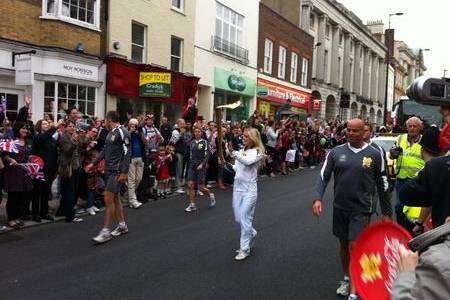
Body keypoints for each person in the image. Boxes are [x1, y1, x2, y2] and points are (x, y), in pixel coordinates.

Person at [313, 119, 391, 300]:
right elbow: (323, 177)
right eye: (348, 130)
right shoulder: (336, 152)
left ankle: (355, 290)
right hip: (340, 207)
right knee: (343, 246)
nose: (351, 133)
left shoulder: (374, 154)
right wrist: (318, 198)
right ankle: (347, 277)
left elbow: (382, 183)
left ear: (364, 131)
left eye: (355, 131)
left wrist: (387, 213)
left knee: (355, 246)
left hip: (362, 208)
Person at [88, 111, 131, 244]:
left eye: (105, 120)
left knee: (108, 198)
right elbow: (105, 150)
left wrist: (124, 172)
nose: (104, 122)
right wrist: (93, 163)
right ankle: (122, 225)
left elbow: (127, 152)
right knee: (116, 198)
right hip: (109, 170)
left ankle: (106, 232)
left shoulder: (123, 132)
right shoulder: (110, 133)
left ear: (109, 120)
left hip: (117, 171)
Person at [228, 127, 265, 261]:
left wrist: (235, 153)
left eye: (246, 137)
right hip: (238, 189)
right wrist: (226, 164)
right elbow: (237, 168)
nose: (243, 139)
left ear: (253, 138)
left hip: (250, 190)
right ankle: (251, 232)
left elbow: (248, 162)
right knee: (239, 217)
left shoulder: (258, 152)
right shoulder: (241, 151)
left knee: (244, 217)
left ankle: (244, 249)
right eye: (243, 136)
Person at [391, 117, 425, 229]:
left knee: (413, 209)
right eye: (409, 126)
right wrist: (393, 153)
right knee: (399, 207)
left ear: (420, 128)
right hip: (401, 178)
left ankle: (414, 230)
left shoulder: (425, 141)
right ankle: (403, 229)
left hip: (417, 181)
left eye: (415, 126)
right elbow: (393, 155)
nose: (412, 128)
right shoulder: (400, 138)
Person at [3, 122, 34, 229]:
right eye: (23, 128)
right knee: (13, 196)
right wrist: (11, 159)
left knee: (21, 196)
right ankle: (11, 219)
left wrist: (30, 159)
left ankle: (16, 217)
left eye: (26, 129)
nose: (25, 130)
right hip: (13, 171)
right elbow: (4, 155)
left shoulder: (28, 141)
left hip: (24, 171)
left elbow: (28, 155)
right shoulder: (12, 140)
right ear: (17, 129)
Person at [31, 119, 62, 222]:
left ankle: (44, 213)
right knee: (37, 193)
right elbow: (43, 138)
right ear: (39, 126)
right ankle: (36, 214)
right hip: (39, 170)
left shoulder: (52, 139)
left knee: (45, 192)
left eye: (47, 124)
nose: (46, 125)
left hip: (49, 170)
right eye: (44, 124)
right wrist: (55, 127)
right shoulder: (37, 137)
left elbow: (55, 153)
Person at [57, 120, 84, 223]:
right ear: (66, 127)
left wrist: (80, 138)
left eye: (74, 126)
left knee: (69, 191)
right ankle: (70, 216)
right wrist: (73, 142)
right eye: (70, 126)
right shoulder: (64, 137)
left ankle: (61, 212)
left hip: (76, 166)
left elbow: (82, 146)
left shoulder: (74, 136)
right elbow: (68, 151)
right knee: (69, 192)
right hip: (68, 168)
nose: (72, 128)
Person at [184, 127, 215, 212]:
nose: (197, 133)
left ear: (201, 133)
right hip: (192, 166)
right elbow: (190, 154)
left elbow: (207, 155)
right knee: (190, 185)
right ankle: (192, 205)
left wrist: (202, 164)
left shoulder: (204, 142)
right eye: (195, 132)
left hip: (201, 166)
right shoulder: (192, 142)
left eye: (199, 132)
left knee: (201, 188)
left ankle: (210, 195)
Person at [127, 118, 145, 209]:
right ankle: (133, 200)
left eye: (135, 125)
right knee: (132, 179)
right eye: (132, 125)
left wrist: (140, 133)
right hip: (131, 158)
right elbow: (124, 140)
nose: (134, 126)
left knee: (138, 179)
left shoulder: (139, 132)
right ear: (129, 125)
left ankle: (130, 197)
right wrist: (130, 131)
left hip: (140, 158)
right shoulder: (127, 132)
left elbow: (145, 142)